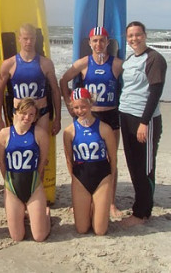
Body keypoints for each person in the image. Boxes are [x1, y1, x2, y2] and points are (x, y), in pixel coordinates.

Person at [59, 26, 123, 217]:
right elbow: (63, 80)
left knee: (111, 158)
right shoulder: (83, 63)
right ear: (89, 43)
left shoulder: (117, 64)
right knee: (82, 157)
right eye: (95, 40)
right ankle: (80, 197)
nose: (98, 44)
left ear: (108, 42)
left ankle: (111, 202)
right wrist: (70, 104)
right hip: (89, 116)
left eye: (102, 40)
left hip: (110, 115)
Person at [119, 21, 167, 227]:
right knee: (133, 164)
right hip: (126, 115)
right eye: (130, 36)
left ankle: (142, 213)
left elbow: (155, 92)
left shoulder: (154, 58)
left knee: (144, 167)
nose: (134, 39)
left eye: (138, 35)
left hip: (144, 119)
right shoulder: (130, 60)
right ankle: (140, 205)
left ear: (145, 35)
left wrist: (144, 122)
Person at [63, 88, 117, 235]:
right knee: (82, 229)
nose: (80, 111)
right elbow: (69, 159)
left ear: (91, 104)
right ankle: (91, 207)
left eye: (83, 106)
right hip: (81, 178)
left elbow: (113, 158)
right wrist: (74, 178)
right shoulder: (69, 131)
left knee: (100, 231)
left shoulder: (104, 128)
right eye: (76, 107)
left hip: (102, 177)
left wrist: (110, 179)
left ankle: (98, 208)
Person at [0, 97, 50, 242]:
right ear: (16, 113)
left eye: (31, 114)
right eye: (24, 113)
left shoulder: (40, 134)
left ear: (35, 117)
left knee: (39, 237)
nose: (27, 117)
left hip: (33, 185)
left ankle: (45, 215)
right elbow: (2, 162)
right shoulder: (4, 134)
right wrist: (8, 183)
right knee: (17, 237)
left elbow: (42, 161)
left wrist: (36, 180)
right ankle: (25, 213)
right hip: (12, 186)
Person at [0, 23, 61, 136]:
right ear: (19, 39)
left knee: (41, 144)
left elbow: (55, 90)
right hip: (19, 113)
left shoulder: (46, 63)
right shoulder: (9, 64)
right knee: (20, 144)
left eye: (32, 38)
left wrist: (58, 118)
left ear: (35, 39)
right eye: (25, 39)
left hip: (41, 112)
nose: (29, 42)